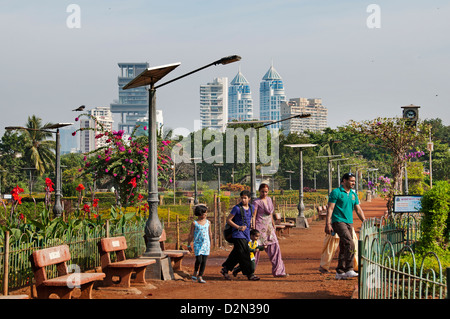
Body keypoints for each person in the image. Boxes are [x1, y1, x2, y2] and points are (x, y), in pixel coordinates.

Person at [325, 172, 366, 280]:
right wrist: (328, 224)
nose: (353, 183)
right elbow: (330, 209)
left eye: (354, 181)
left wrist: (364, 220)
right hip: (338, 221)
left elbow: (358, 209)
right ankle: (349, 268)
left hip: (349, 222)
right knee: (350, 243)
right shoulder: (336, 192)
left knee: (343, 246)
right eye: (351, 181)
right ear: (344, 181)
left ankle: (340, 271)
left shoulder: (353, 194)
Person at [221, 190, 260, 281]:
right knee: (245, 253)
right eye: (242, 198)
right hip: (237, 234)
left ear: (249, 198)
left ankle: (226, 268)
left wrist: (253, 227)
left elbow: (252, 217)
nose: (243, 200)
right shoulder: (237, 208)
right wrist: (238, 227)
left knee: (237, 253)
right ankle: (250, 274)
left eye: (245, 198)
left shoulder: (252, 207)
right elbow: (228, 220)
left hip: (246, 234)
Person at [251, 183, 287, 277]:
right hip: (259, 228)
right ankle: (249, 270)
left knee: (275, 248)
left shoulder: (269, 200)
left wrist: (273, 224)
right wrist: (254, 228)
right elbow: (254, 215)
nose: (264, 193)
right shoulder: (256, 202)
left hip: (269, 229)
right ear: (259, 191)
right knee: (255, 250)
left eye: (266, 192)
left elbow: (271, 214)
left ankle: (279, 271)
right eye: (262, 191)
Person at [187, 204, 212, 283]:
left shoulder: (208, 223)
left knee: (204, 261)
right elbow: (191, 234)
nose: (205, 215)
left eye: (206, 213)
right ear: (199, 213)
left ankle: (200, 276)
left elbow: (210, 233)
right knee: (199, 260)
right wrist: (188, 244)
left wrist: (210, 243)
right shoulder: (194, 223)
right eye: (204, 213)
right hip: (197, 244)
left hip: (206, 244)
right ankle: (195, 272)